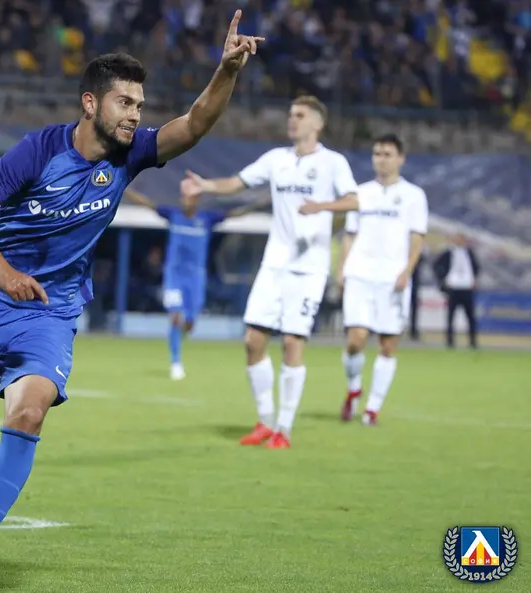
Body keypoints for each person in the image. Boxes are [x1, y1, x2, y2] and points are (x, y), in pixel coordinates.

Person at [0, 16, 263, 591]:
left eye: (140, 104)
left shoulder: (129, 156)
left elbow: (194, 125)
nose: (135, 114)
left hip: (51, 310)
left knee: (29, 411)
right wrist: (5, 273)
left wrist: (226, 70)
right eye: (125, 102)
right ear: (90, 103)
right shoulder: (38, 151)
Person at [182, 96, 358, 449]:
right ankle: (264, 421)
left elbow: (354, 200)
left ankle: (284, 429)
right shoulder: (276, 159)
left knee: (292, 343)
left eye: (300, 115)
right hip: (274, 264)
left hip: (309, 269)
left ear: (317, 124)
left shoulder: (332, 163)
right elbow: (238, 182)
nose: (292, 120)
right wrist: (206, 185)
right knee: (253, 341)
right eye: (290, 114)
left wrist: (322, 206)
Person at [299, 133, 428, 424]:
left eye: (387, 154)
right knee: (355, 340)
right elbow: (350, 234)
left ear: (401, 159)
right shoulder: (361, 193)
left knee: (387, 344)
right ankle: (354, 389)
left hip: (392, 279)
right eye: (377, 154)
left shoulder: (414, 196)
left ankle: (372, 408)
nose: (381, 160)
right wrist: (342, 269)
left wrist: (407, 271)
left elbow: (417, 237)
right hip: (360, 274)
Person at [125, 181, 268, 380]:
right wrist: (124, 188)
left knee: (190, 322)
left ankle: (181, 335)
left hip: (195, 277)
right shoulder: (173, 215)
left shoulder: (206, 219)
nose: (186, 201)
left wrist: (260, 204)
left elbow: (235, 213)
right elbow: (147, 203)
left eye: (190, 198)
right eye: (184, 197)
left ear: (196, 200)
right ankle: (176, 362)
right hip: (174, 275)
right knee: (175, 317)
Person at [434, 233, 480, 348]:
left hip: (467, 287)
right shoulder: (448, 253)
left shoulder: (469, 253)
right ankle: (450, 341)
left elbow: (477, 267)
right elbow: (436, 265)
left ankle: (473, 341)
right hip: (453, 287)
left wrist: (474, 279)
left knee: (470, 316)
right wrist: (443, 279)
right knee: (451, 316)